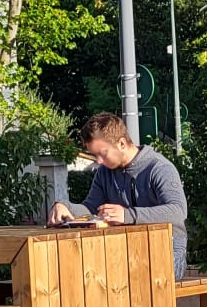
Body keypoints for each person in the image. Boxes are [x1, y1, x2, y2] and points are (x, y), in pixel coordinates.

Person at [50, 112, 189, 277]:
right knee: (83, 275)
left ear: (122, 143)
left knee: (131, 278)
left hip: (167, 249)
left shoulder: (159, 168)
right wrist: (65, 207)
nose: (98, 161)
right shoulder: (104, 173)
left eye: (103, 154)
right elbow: (90, 208)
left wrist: (127, 215)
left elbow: (178, 211)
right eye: (95, 155)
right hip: (124, 250)